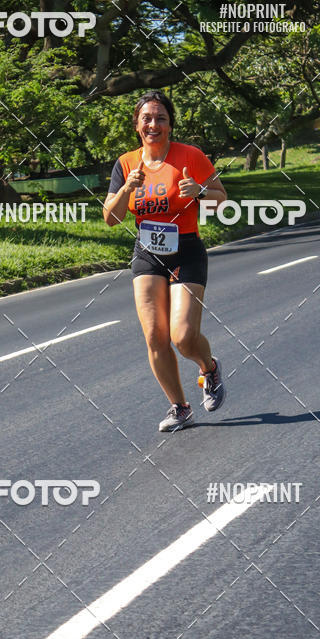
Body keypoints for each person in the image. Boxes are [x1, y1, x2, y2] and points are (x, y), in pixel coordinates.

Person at [103, 90, 228, 431]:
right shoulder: (126, 163)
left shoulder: (191, 156)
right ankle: (180, 407)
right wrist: (127, 189)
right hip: (147, 254)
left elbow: (221, 201)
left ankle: (209, 369)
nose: (153, 124)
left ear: (170, 124)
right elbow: (111, 218)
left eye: (160, 118)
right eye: (146, 118)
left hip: (186, 249)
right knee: (155, 337)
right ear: (137, 125)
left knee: (183, 336)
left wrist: (200, 193)